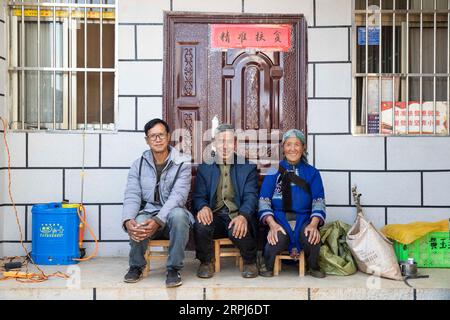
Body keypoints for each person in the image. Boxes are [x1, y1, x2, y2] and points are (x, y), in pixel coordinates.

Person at [121, 118, 194, 287]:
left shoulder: (182, 163)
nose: (157, 139)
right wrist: (127, 220)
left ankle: (173, 269)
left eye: (161, 135)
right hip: (148, 215)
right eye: (152, 136)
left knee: (179, 215)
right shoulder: (138, 165)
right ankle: (136, 266)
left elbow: (178, 197)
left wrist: (158, 220)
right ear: (147, 140)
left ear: (168, 137)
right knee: (137, 221)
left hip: (171, 216)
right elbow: (132, 195)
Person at [192, 124, 259, 278]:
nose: (224, 145)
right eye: (221, 141)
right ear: (215, 143)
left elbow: (251, 196)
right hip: (214, 216)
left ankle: (250, 261)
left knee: (239, 229)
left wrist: (243, 215)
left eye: (229, 141)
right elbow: (198, 196)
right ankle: (206, 262)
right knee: (201, 224)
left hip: (236, 215)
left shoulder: (247, 167)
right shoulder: (205, 167)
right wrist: (202, 207)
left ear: (234, 144)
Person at [258, 129, 327, 278]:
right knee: (275, 241)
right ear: (283, 148)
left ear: (303, 147)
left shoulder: (312, 173)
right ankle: (267, 264)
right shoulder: (274, 171)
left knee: (311, 238)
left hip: (304, 220)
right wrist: (272, 225)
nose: (292, 149)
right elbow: (264, 201)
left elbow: (318, 201)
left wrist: (313, 225)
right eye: (288, 144)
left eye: (297, 144)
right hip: (280, 220)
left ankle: (313, 266)